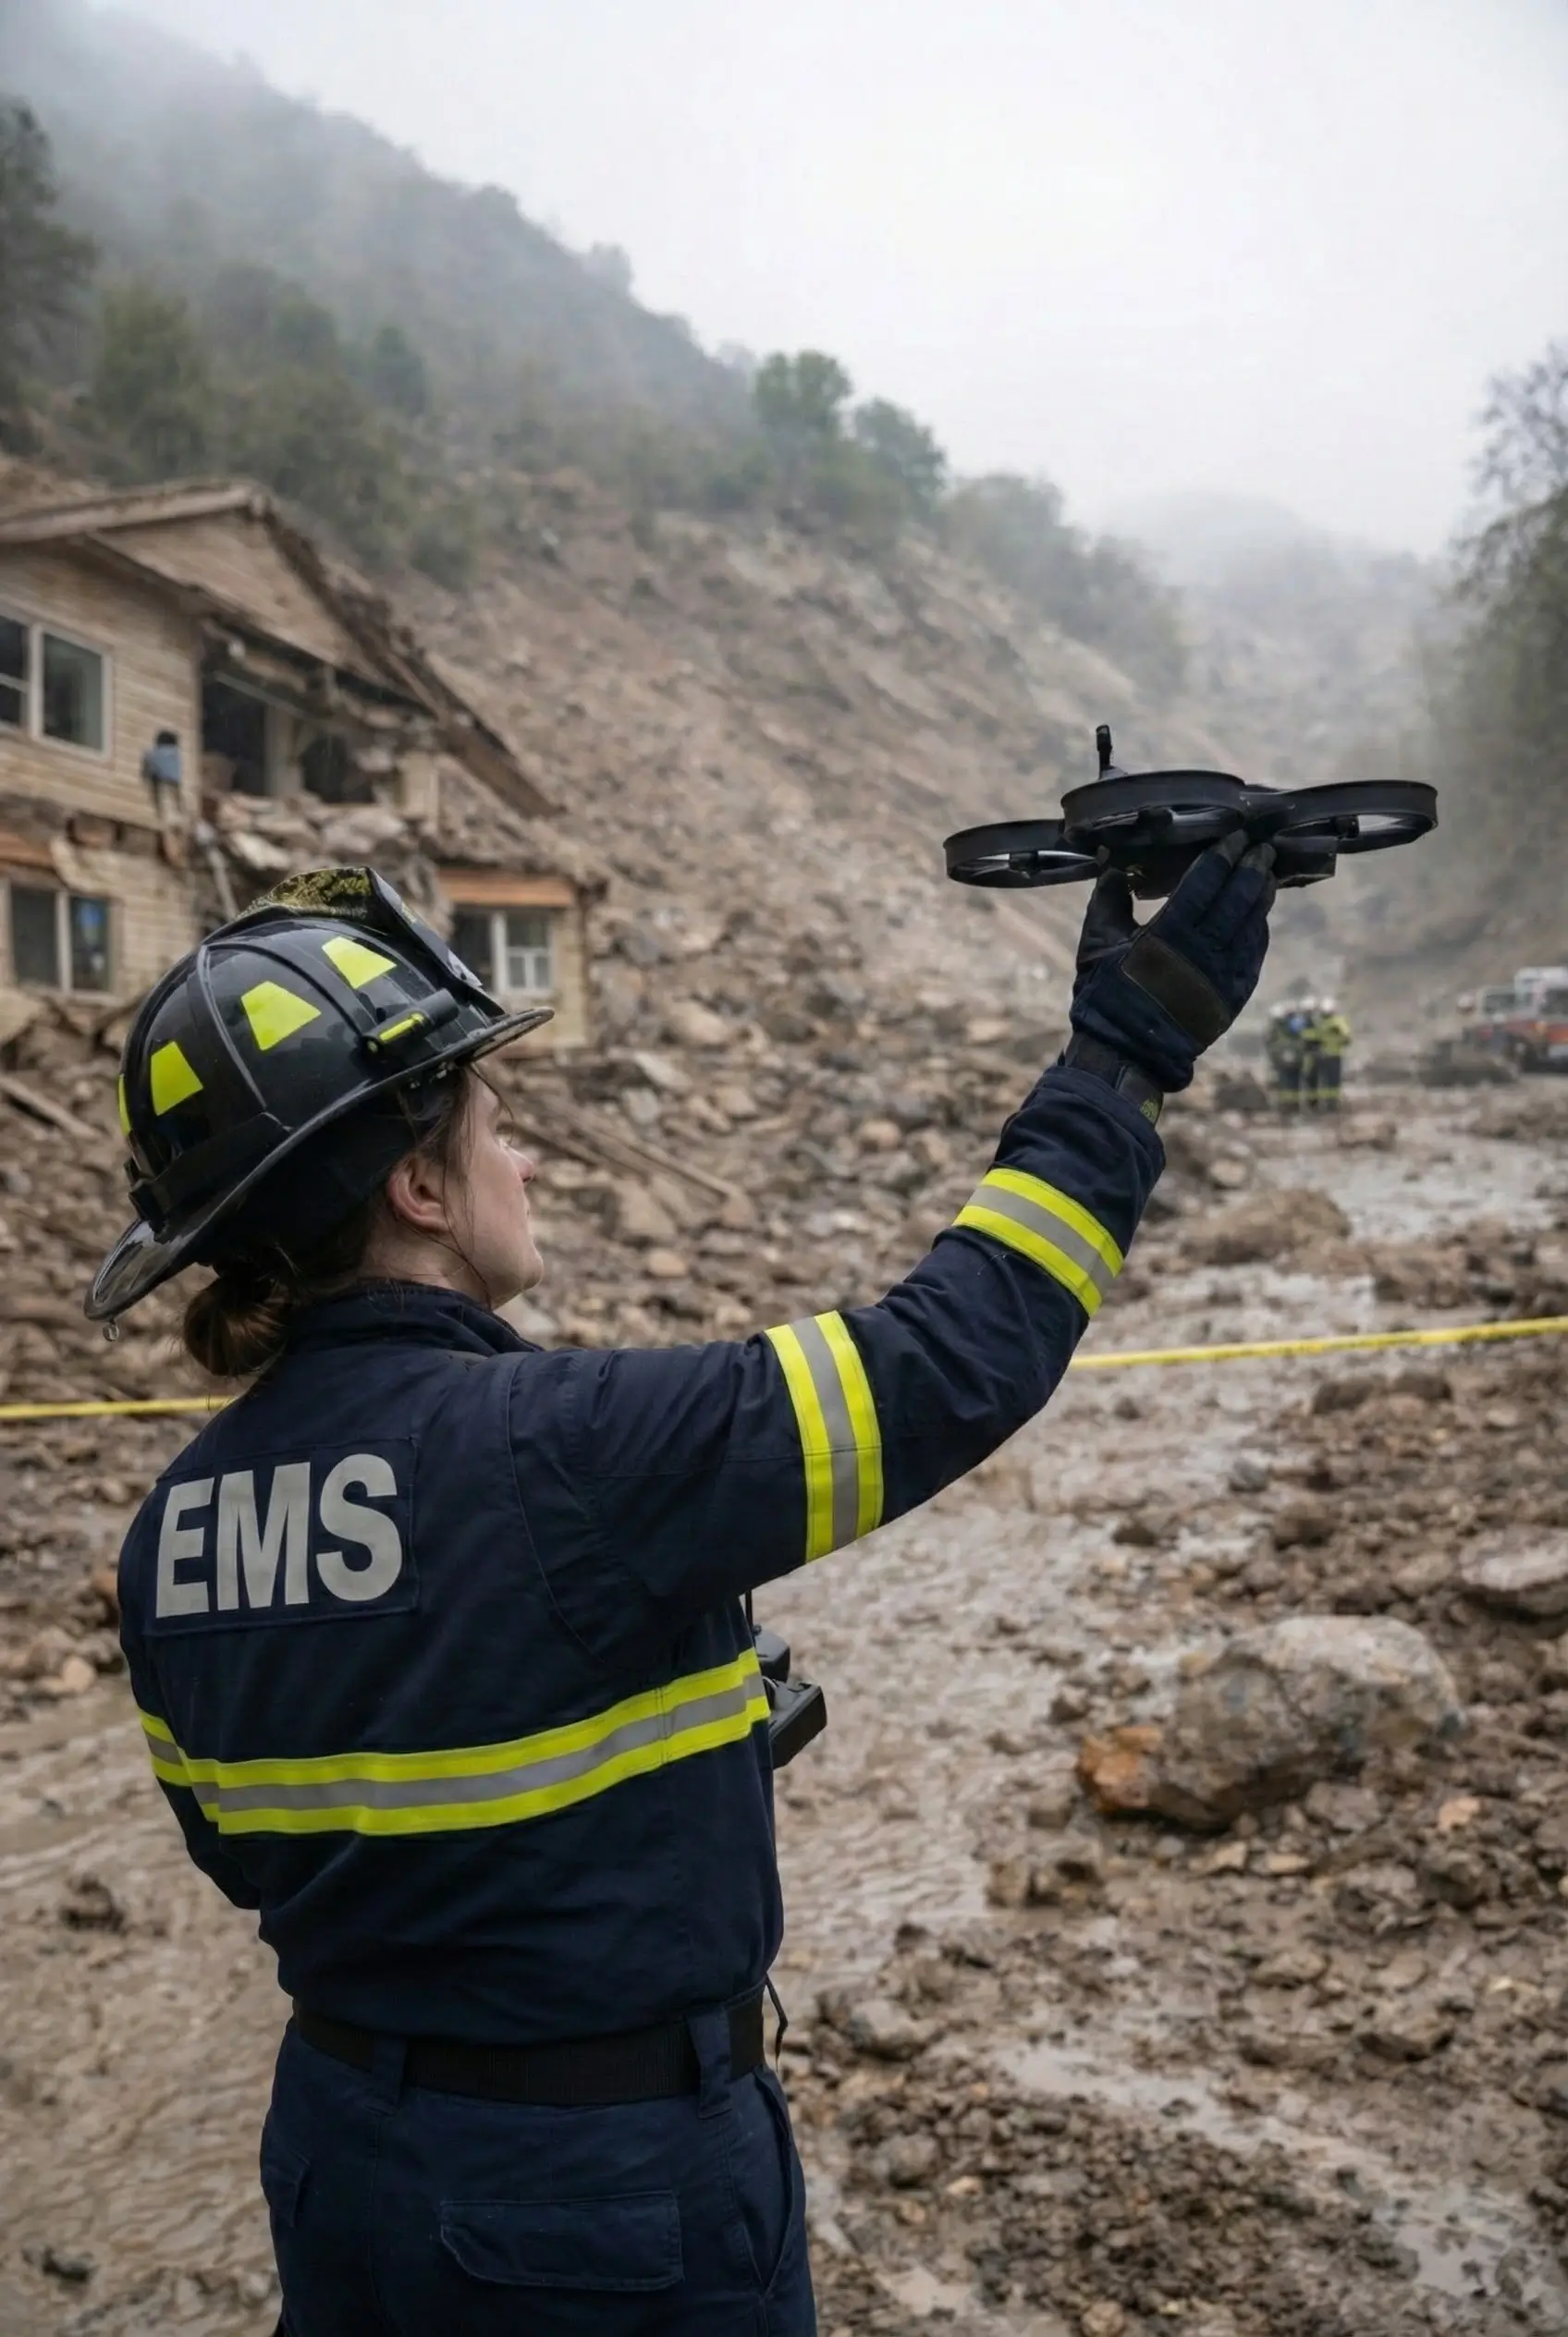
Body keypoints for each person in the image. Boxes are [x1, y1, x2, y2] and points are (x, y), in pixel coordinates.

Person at [94, 843, 1275, 2336]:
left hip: (341, 2163)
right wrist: (1128, 1047)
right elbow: (962, 1350)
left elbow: (255, 1844)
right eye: (498, 1124)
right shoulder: (575, 1451)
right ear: (415, 1180)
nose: (522, 1162)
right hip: (601, 2195)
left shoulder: (165, 1537)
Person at [1306, 997, 1352, 1111]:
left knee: (1331, 1081)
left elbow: (1346, 1038)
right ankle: (1329, 1104)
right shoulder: (1323, 1023)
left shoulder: (1334, 1022)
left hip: (1331, 1056)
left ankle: (1331, 1104)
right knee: (1328, 1081)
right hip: (1325, 1056)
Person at [1265, 1000, 1305, 1112]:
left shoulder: (1281, 1028)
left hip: (1285, 1059)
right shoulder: (1296, 1024)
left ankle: (1288, 1106)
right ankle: (1292, 1105)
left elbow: (1270, 1044)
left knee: (1286, 1083)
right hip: (1292, 1059)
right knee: (1291, 1083)